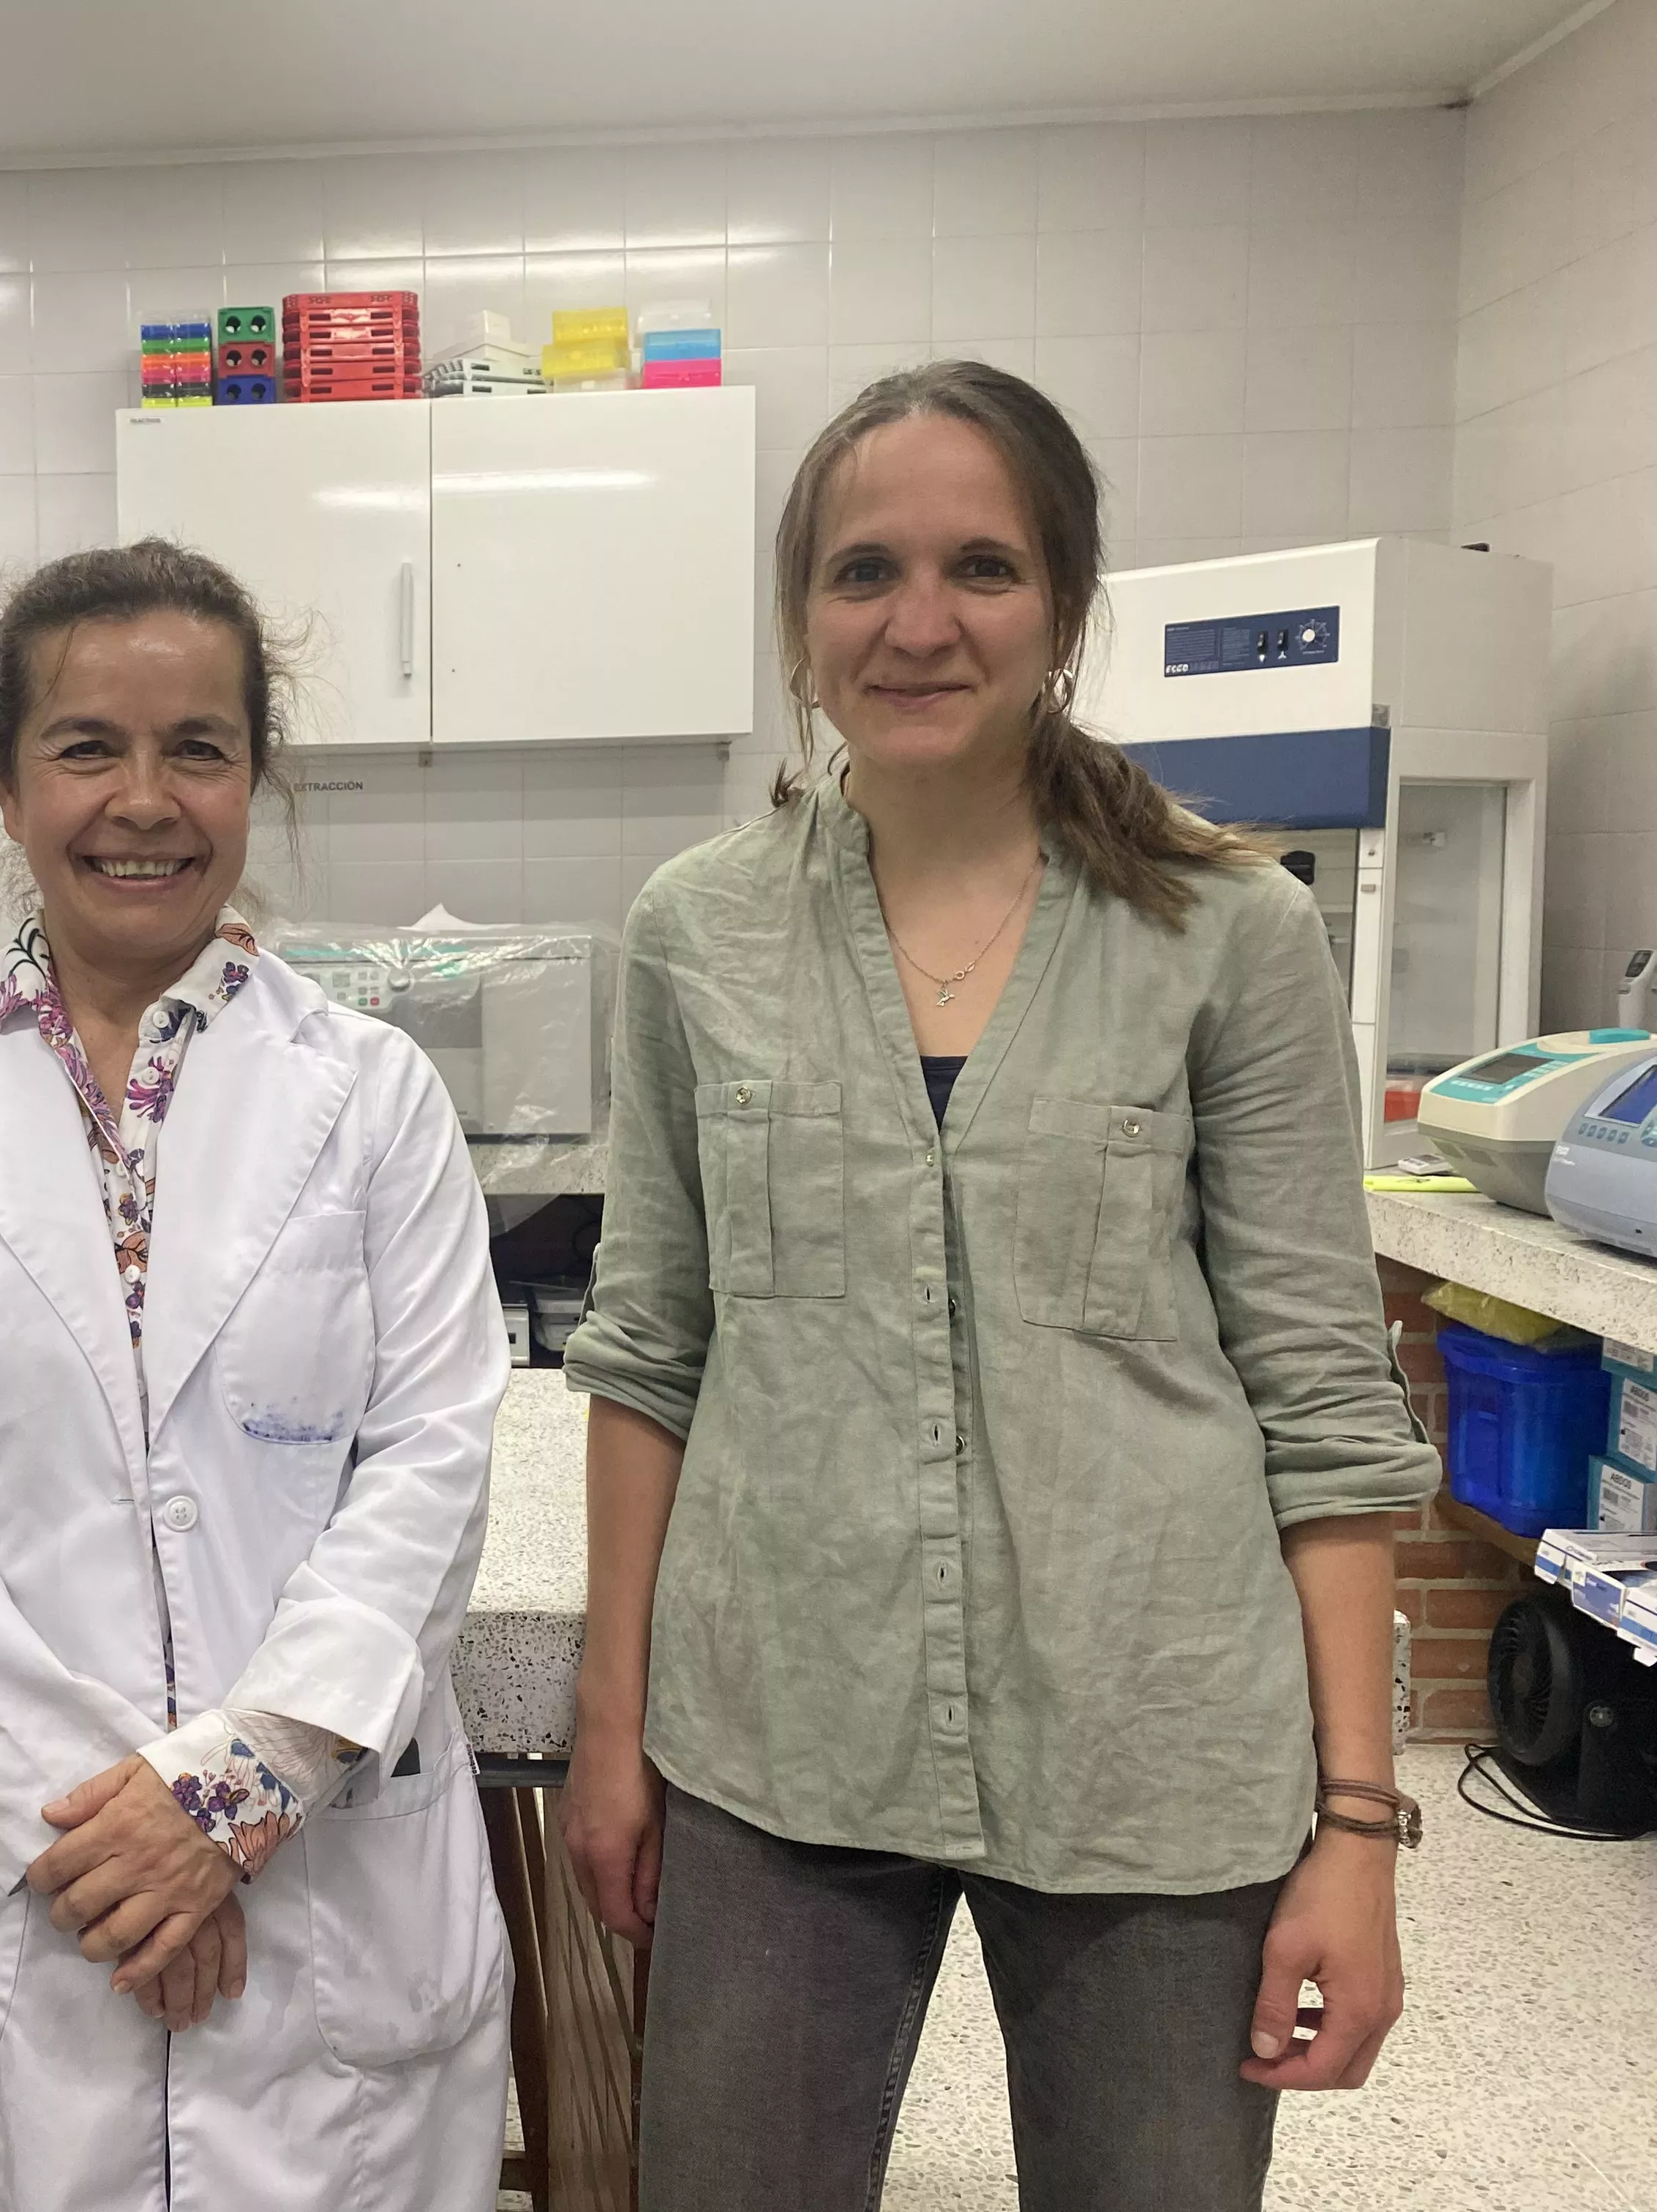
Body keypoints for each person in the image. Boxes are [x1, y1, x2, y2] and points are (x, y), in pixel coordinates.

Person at [558, 360, 1435, 2211]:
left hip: (1156, 1747)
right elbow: (649, 1350)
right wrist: (614, 1732)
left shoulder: (1230, 931)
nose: (922, 622)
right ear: (800, 621)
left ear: (1066, 607)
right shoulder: (694, 932)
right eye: (864, 572)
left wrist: (1354, 1828)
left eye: (984, 567)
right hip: (779, 1734)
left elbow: (1324, 1405)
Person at [0, 540, 511, 2211]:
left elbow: (432, 1464)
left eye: (199, 748)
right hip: (15, 1892)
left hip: (322, 1896)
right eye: (87, 747)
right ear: (3, 783)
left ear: (257, 778)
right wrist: (118, 1849)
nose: (144, 800)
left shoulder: (376, 1095)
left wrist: (233, 1797)